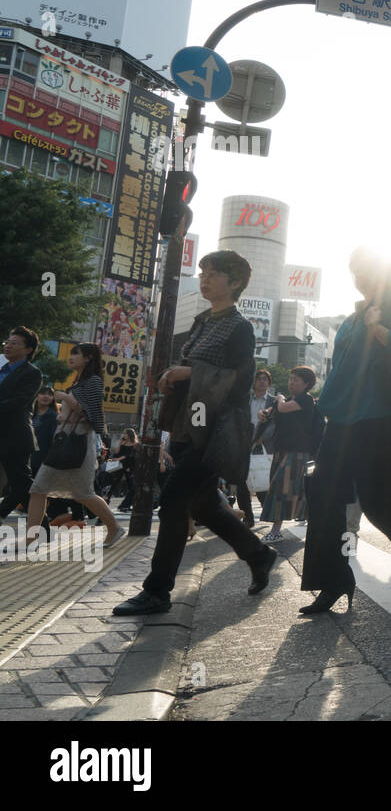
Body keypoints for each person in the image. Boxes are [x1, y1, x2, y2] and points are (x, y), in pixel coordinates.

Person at [113, 253, 277, 615]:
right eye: (202, 272)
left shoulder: (240, 327)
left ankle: (157, 591)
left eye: (214, 274)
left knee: (172, 501)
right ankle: (259, 554)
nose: (204, 279)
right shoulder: (203, 321)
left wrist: (187, 374)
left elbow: (238, 382)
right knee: (204, 504)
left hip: (215, 433)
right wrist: (175, 378)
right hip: (190, 427)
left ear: (235, 283)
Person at [297, 247, 391, 614]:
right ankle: (333, 581)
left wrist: (379, 328)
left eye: (365, 269)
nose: (358, 276)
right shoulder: (352, 318)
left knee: (377, 502)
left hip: (379, 421)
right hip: (340, 420)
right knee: (323, 493)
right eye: (355, 270)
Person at [26, 343, 125, 550]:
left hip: (79, 443)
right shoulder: (79, 380)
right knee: (38, 488)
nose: (71, 357)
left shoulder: (94, 382)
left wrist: (65, 397)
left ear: (88, 357)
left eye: (76, 353)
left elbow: (93, 414)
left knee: (83, 493)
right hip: (63, 441)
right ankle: (31, 538)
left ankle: (114, 527)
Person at [259, 366, 316, 543]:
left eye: (296, 380)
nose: (291, 383)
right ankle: (311, 523)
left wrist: (279, 399)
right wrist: (264, 413)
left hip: (297, 453)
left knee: (281, 489)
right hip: (281, 450)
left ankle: (276, 531)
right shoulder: (288, 399)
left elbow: (282, 408)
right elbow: (269, 413)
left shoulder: (306, 401)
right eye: (291, 379)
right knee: (295, 491)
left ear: (306, 384)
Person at [0, 327, 44, 524]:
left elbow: (19, 402)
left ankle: (43, 527)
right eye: (7, 342)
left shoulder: (32, 373)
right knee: (20, 486)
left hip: (14, 437)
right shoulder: (2, 368)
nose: (8, 346)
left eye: (14, 343)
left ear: (28, 349)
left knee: (22, 485)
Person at [235, 368, 278, 527]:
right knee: (241, 482)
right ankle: (248, 518)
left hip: (262, 446)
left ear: (269, 383)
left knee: (261, 480)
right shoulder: (246, 399)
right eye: (259, 378)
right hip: (243, 443)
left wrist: (262, 438)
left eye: (265, 379)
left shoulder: (273, 401)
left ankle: (269, 514)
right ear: (254, 382)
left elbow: (275, 424)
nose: (262, 381)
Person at [109, 428, 139, 510]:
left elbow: (128, 455)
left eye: (125, 433)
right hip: (120, 465)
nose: (123, 435)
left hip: (129, 466)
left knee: (131, 485)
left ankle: (128, 504)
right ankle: (108, 498)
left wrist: (117, 459)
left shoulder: (135, 444)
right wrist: (119, 443)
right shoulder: (123, 442)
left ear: (130, 435)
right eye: (123, 433)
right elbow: (117, 452)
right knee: (115, 482)